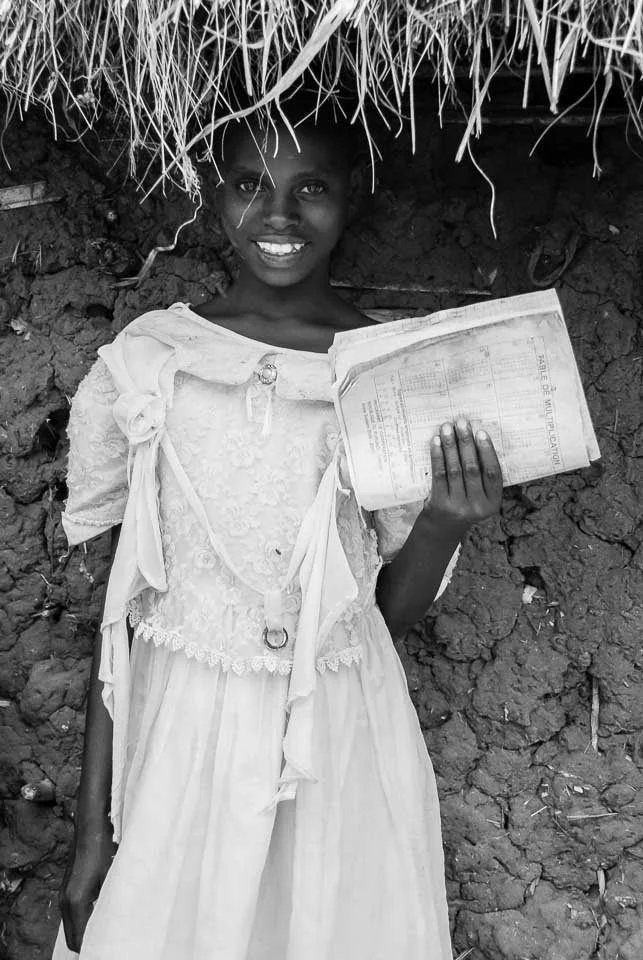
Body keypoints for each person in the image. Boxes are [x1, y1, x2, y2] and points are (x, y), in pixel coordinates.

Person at [52, 92, 503, 960]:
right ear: (210, 194)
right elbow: (121, 615)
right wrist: (89, 835)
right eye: (248, 185)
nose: (278, 216)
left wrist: (445, 522)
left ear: (351, 196)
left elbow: (382, 617)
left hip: (334, 733)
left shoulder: (383, 371)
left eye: (311, 189)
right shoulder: (155, 361)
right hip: (178, 727)